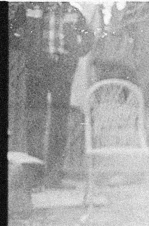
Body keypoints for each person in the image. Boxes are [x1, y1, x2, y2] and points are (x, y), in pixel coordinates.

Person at [12, 2, 94, 189]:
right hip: (37, 70)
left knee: (59, 122)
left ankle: (54, 176)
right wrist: (30, 48)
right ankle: (34, 176)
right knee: (35, 121)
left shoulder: (72, 10)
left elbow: (89, 39)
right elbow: (12, 32)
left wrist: (73, 54)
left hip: (61, 71)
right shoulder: (29, 7)